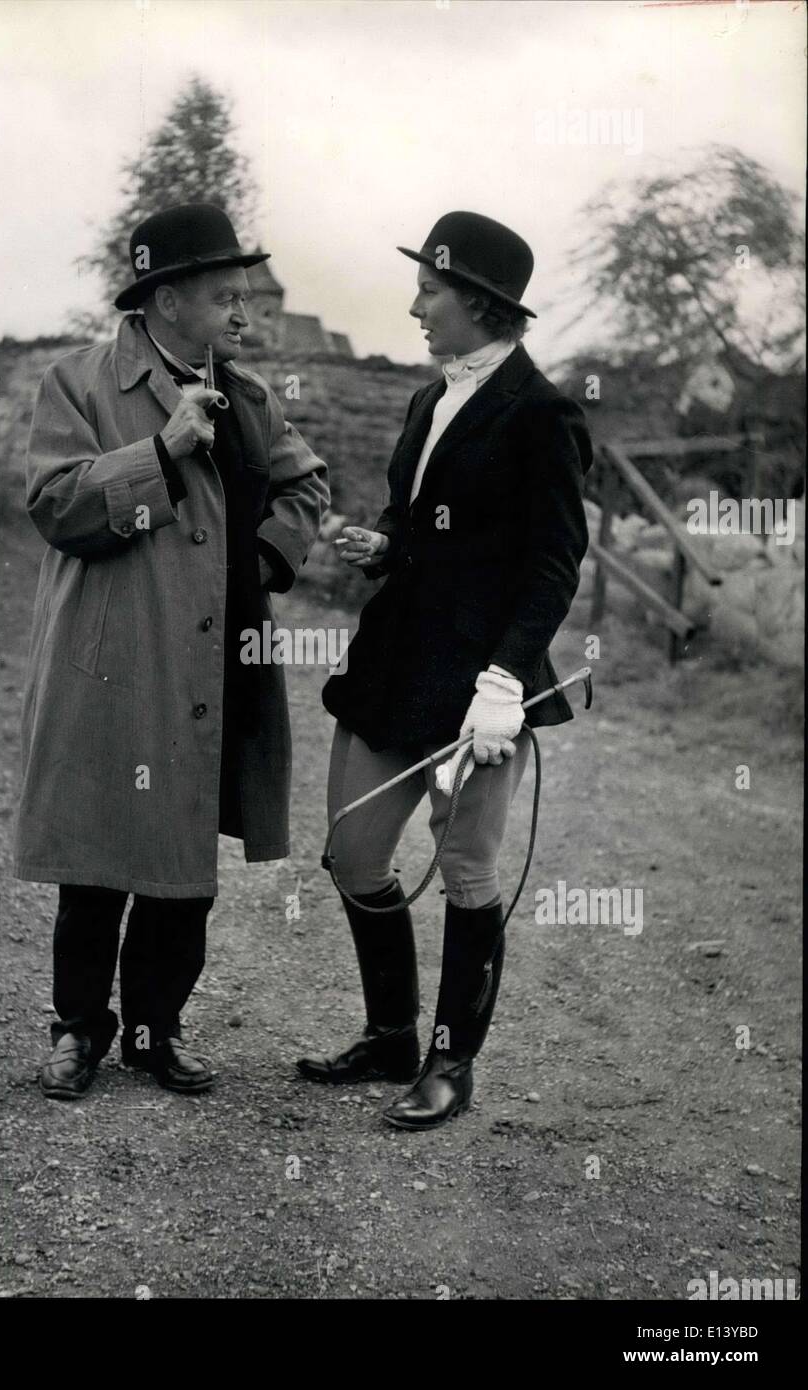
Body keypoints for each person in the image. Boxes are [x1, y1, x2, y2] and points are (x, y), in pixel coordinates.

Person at [15, 203, 328, 1100]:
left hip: (211, 662)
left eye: (245, 297)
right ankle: (77, 1030)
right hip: (114, 659)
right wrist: (159, 449)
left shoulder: (253, 398)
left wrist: (270, 553)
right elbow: (58, 508)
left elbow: (307, 482)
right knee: (99, 851)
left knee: (185, 857)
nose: (244, 314)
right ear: (164, 298)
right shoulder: (77, 384)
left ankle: (155, 1031)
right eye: (226, 296)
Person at [297, 211, 592, 1130]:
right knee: (353, 855)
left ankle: (449, 1061)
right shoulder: (430, 400)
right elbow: (410, 515)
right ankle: (389, 1030)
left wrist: (504, 680)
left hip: (478, 689)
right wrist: (379, 544)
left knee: (466, 869)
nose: (415, 305)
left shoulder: (544, 415)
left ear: (480, 303)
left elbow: (552, 564)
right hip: (394, 665)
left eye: (430, 289)